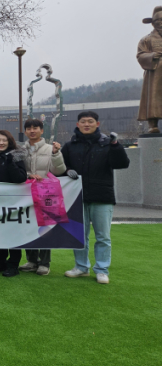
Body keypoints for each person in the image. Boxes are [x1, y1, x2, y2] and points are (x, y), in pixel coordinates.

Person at [62, 111, 130, 284]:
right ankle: (81, 267)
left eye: (90, 121)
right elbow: (61, 166)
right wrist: (67, 170)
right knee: (79, 235)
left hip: (102, 196)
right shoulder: (70, 145)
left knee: (103, 237)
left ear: (97, 124)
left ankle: (102, 269)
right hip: (77, 196)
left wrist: (115, 144)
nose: (87, 124)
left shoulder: (107, 143)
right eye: (83, 121)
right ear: (77, 124)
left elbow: (122, 164)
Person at [19, 119, 67, 276]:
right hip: (26, 193)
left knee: (45, 227)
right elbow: (17, 170)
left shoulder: (50, 149)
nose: (32, 131)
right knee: (28, 226)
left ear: (41, 130)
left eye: (35, 128)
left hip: (46, 193)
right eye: (29, 128)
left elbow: (59, 170)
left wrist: (56, 154)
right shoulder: (21, 150)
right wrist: (28, 175)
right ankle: (32, 261)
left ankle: (45, 263)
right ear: (25, 131)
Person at [0, 130, 28, 277]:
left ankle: (13, 265)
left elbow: (21, 177)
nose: (1, 143)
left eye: (4, 140)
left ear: (10, 142)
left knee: (13, 234)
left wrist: (10, 162)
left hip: (13, 203)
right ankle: (1, 261)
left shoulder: (16, 156)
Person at [137, 5, 162, 133]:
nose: (161, 23)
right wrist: (152, 56)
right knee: (153, 98)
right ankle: (153, 124)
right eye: (158, 21)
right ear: (153, 23)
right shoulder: (146, 39)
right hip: (155, 73)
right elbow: (140, 55)